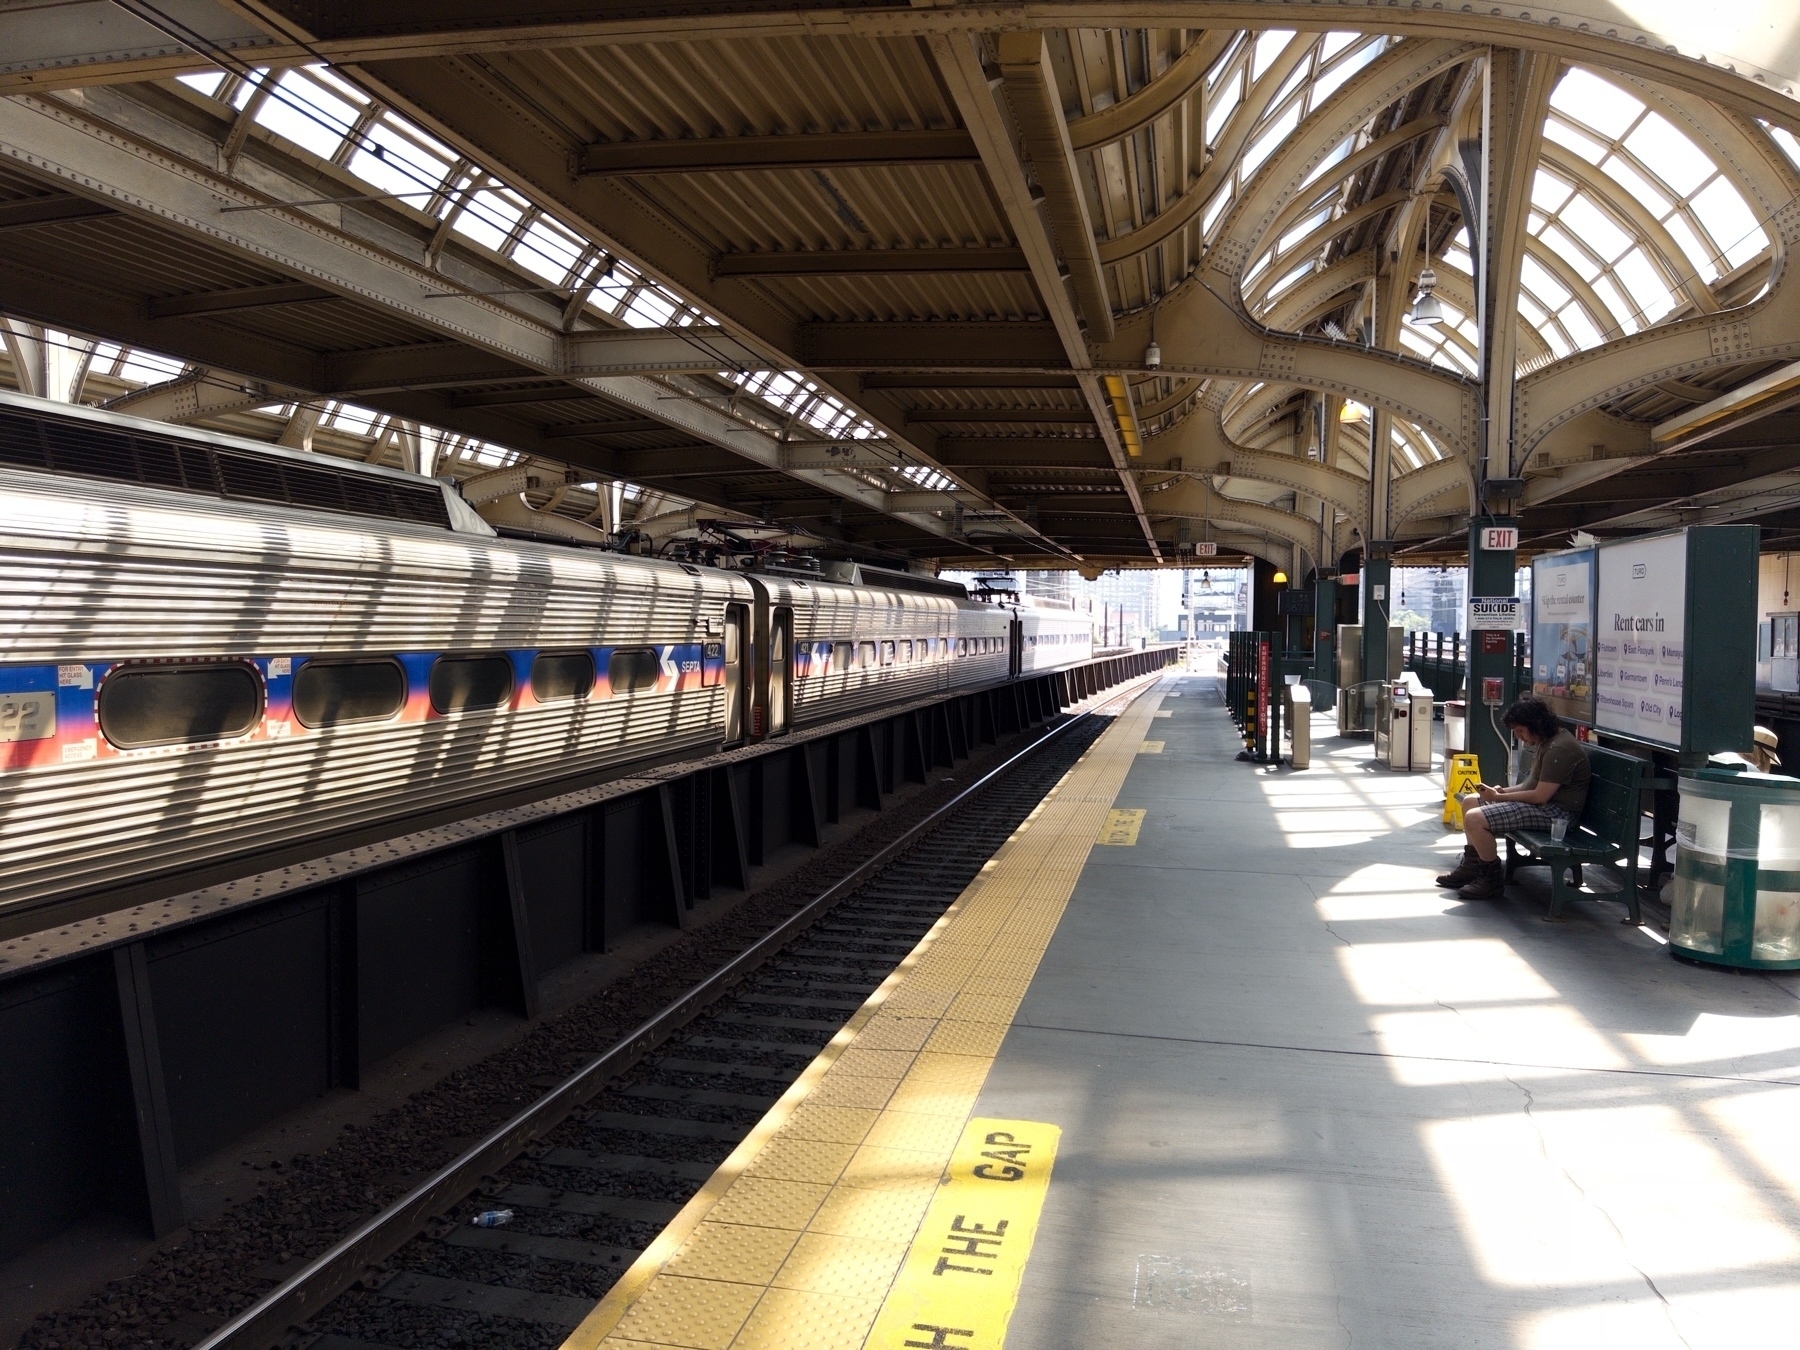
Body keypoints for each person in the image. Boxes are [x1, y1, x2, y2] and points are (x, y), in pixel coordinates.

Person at [1437, 695, 1590, 899]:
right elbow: (1531, 785)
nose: (1519, 737)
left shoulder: (1559, 748)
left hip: (1557, 815)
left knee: (1475, 818)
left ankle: (1491, 880)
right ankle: (1473, 866)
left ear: (1535, 724)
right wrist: (1501, 791)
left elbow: (1540, 796)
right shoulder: (1548, 741)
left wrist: (1498, 798)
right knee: (1470, 801)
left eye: (1520, 731)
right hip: (1547, 807)